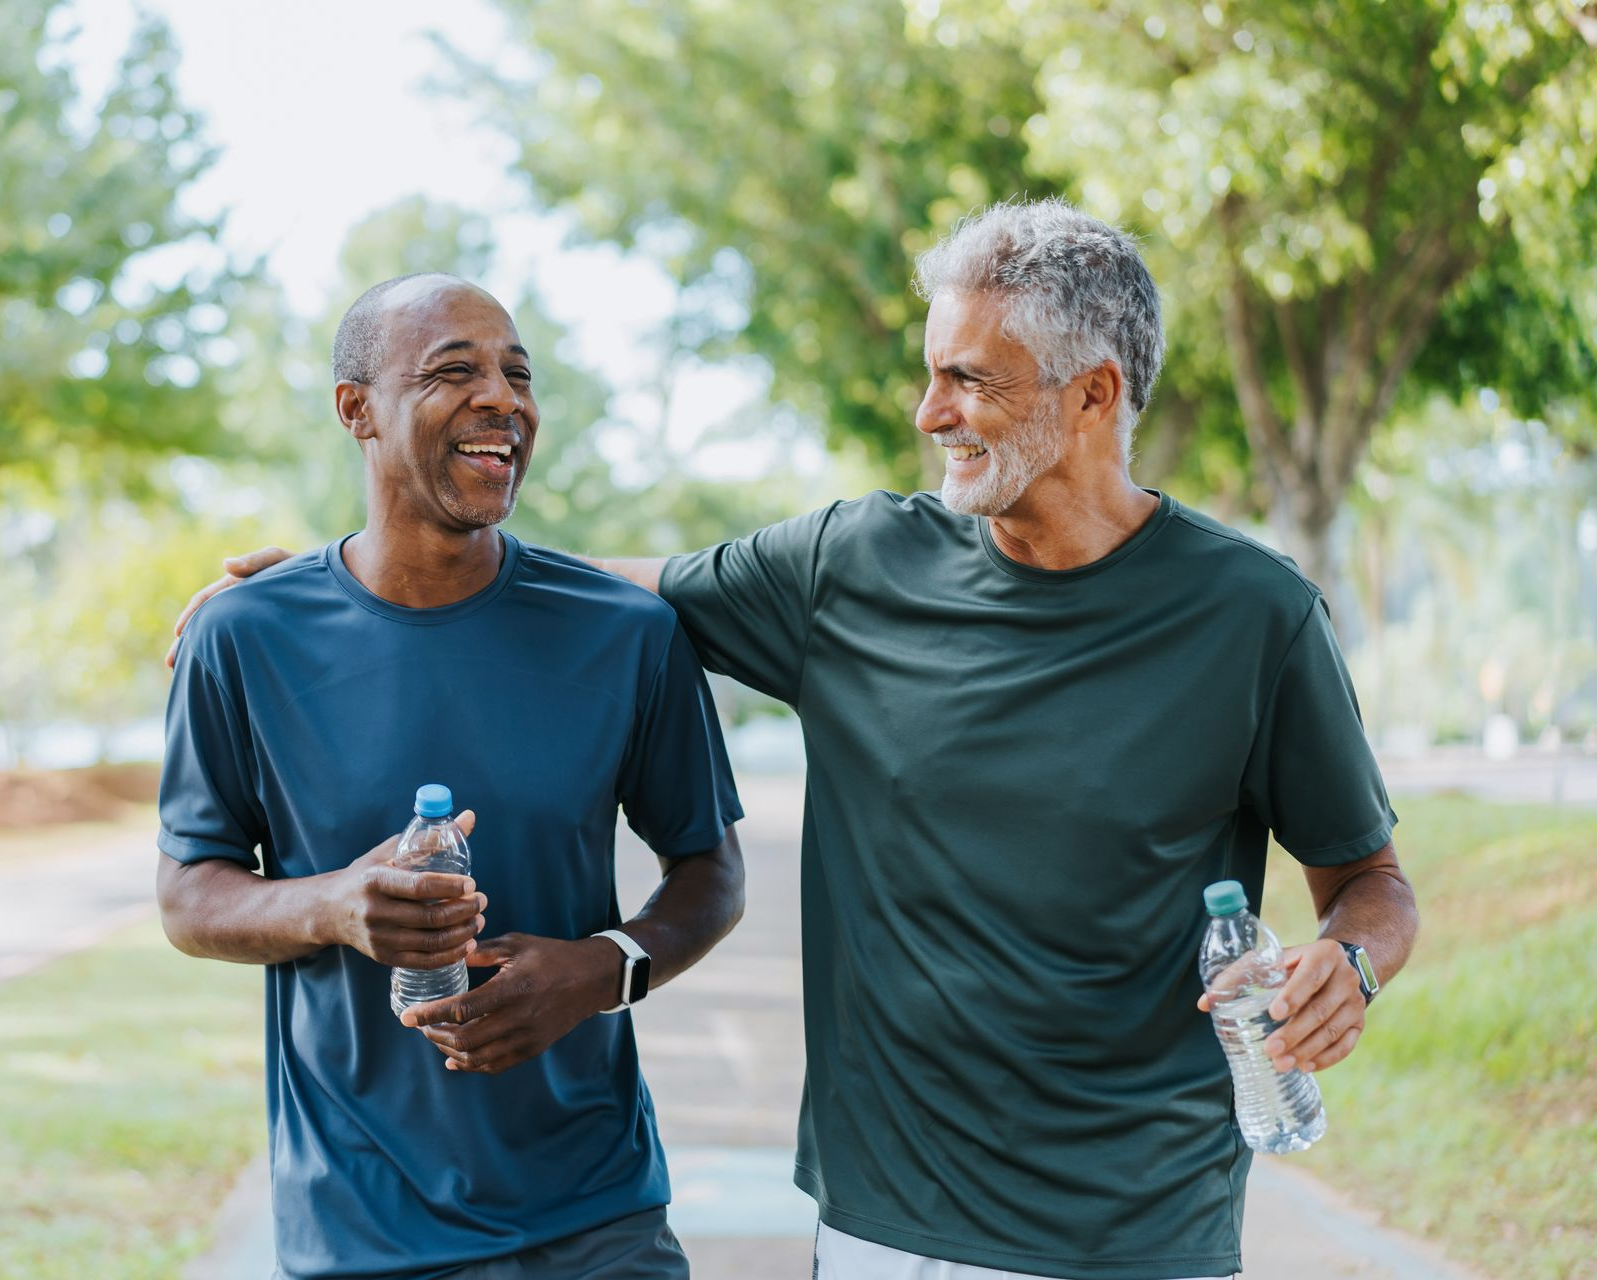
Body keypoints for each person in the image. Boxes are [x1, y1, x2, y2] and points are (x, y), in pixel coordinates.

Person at [173, 201, 1419, 1280]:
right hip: (886, 1219)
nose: (929, 410)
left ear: (1093, 393)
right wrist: (343, 578)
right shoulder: (854, 564)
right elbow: (611, 587)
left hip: (1143, 1222)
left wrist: (1346, 965)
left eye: (970, 379)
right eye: (932, 370)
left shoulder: (1254, 615)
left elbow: (1370, 882)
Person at [157, 273, 745, 1280]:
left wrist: (601, 967)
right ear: (358, 410)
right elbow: (187, 894)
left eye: (518, 375)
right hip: (362, 1229)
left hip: (599, 1219)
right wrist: (337, 904)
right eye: (453, 371)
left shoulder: (625, 633)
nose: (503, 400)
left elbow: (711, 871)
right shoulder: (244, 636)